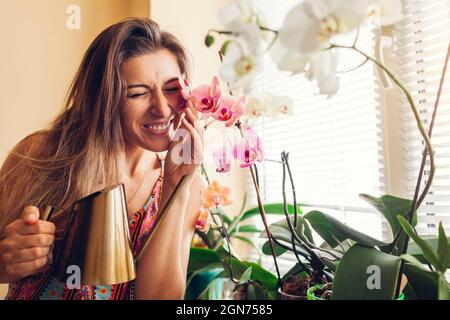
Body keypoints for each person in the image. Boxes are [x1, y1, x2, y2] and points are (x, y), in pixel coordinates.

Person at [0, 17, 205, 300]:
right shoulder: (40, 155)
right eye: (137, 93)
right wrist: (5, 262)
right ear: (103, 99)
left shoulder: (187, 184)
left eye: (171, 89)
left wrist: (175, 186)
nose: (161, 108)